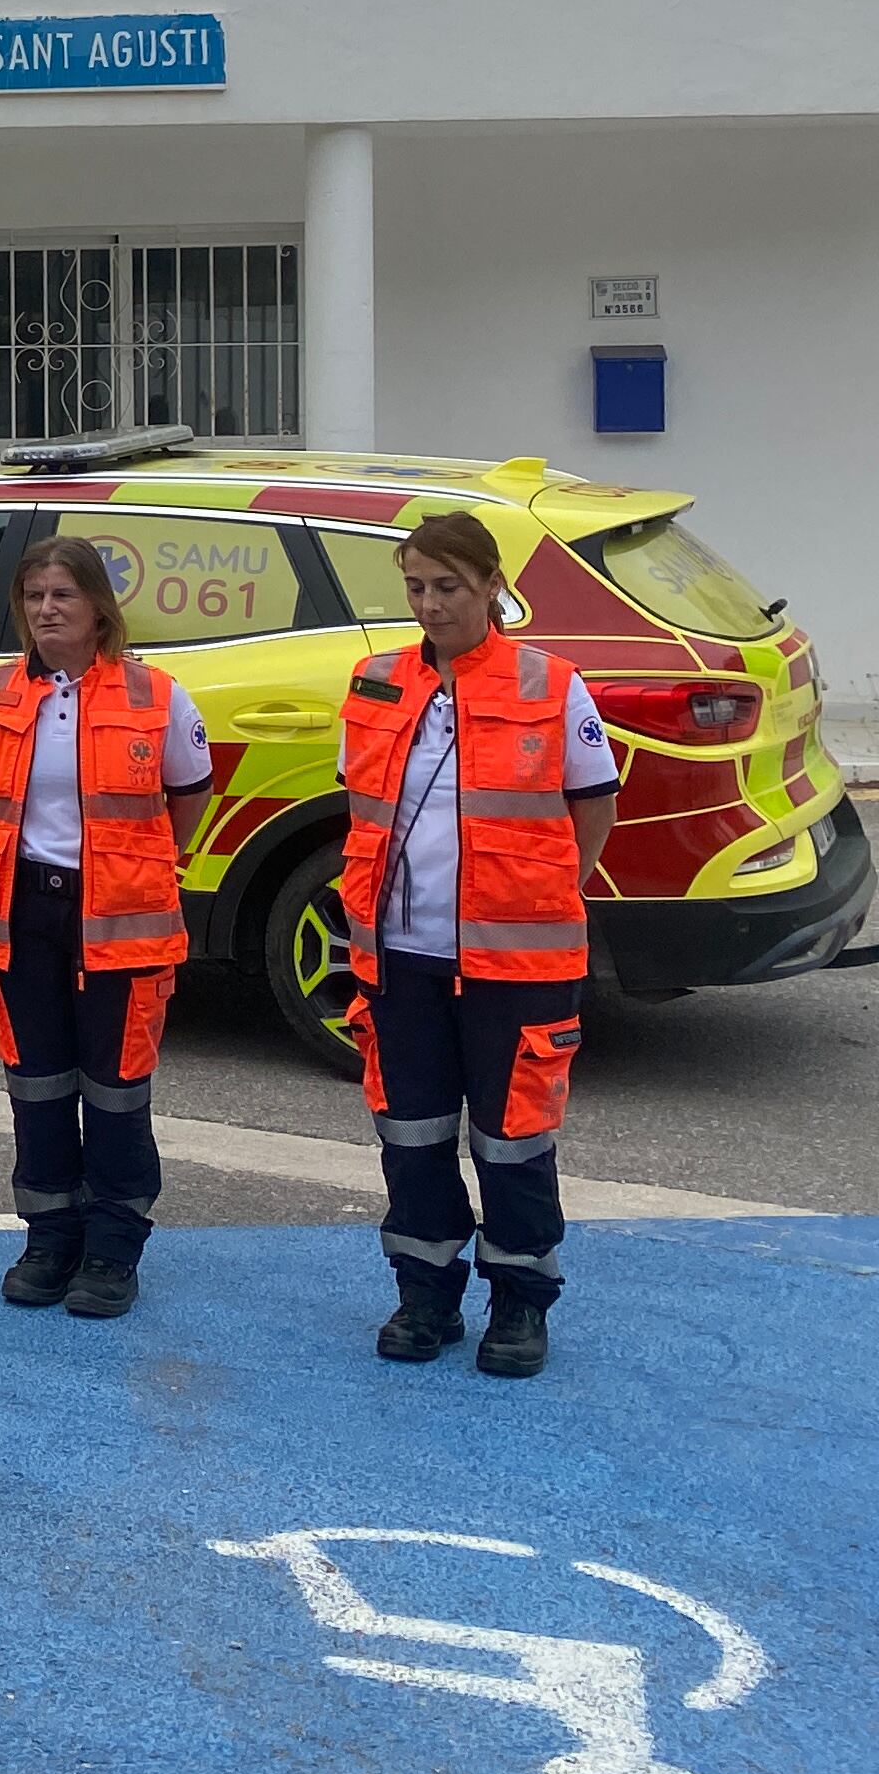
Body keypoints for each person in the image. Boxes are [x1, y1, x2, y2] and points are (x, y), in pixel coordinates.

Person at [338, 507, 618, 1379]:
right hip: (402, 955)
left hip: (516, 960)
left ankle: (519, 1304)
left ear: (493, 586)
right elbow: (363, 807)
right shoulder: (376, 681)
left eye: (448, 587)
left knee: (512, 1141)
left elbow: (593, 805)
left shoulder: (550, 684)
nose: (430, 605)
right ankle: (425, 1294)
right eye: (416, 587)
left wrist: (543, 892)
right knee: (411, 1135)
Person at [0, 536, 211, 1316]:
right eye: (33, 597)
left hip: (119, 917)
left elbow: (190, 793)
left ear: (100, 607)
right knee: (35, 1085)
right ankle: (49, 1237)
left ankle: (112, 1249)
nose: (45, 610)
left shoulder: (156, 695)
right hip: (22, 911)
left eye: (62, 595)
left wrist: (142, 862)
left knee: (115, 1090)